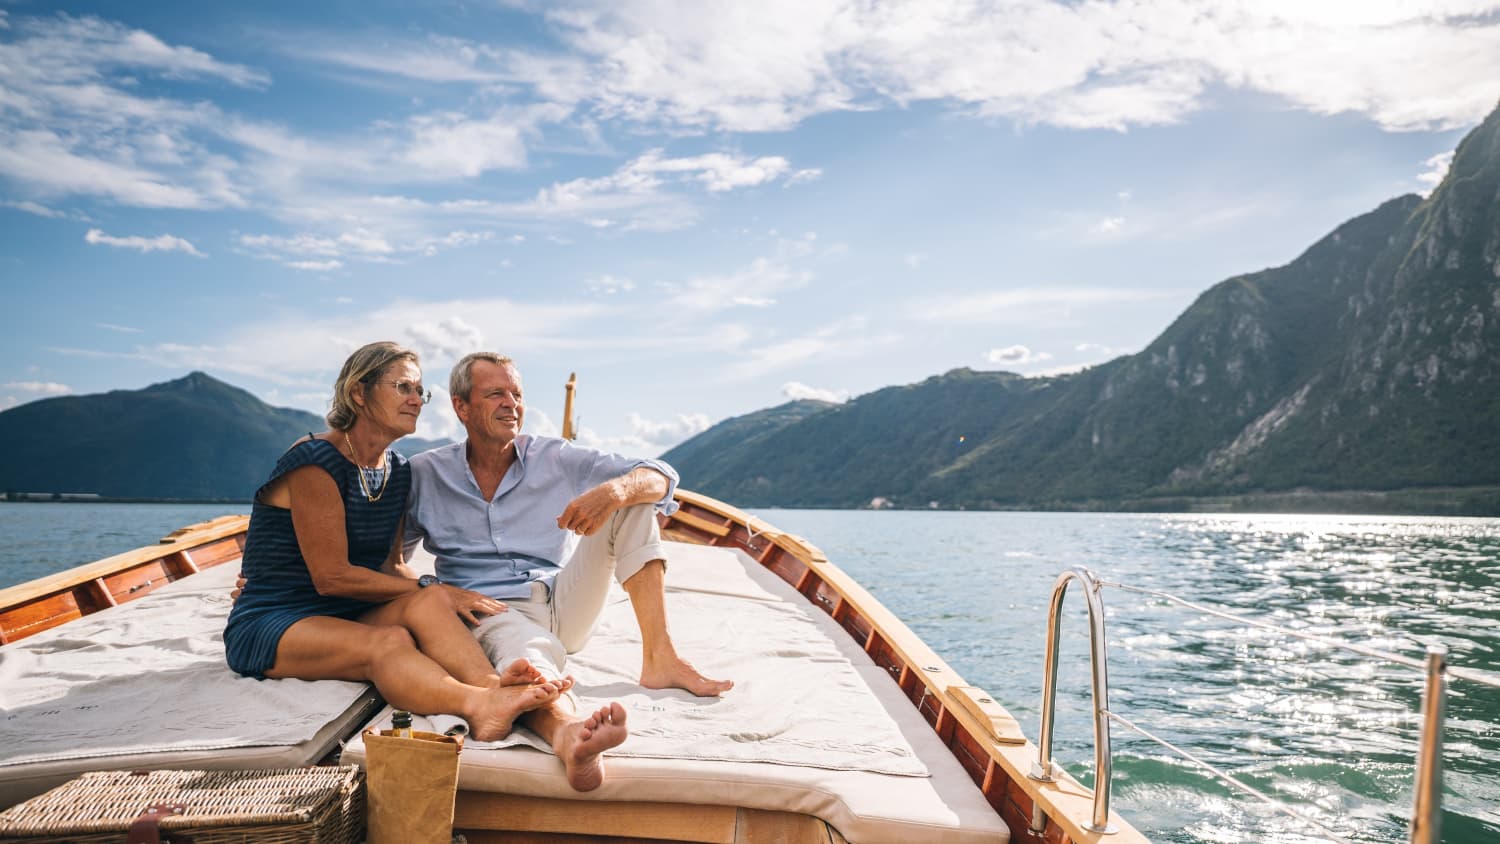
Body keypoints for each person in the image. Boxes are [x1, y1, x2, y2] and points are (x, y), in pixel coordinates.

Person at [403, 351, 732, 790]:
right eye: (496, 393)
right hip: (492, 609)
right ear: (461, 407)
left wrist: (614, 490)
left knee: (632, 505)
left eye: (517, 393)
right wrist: (437, 590)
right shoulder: (424, 474)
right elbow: (390, 564)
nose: (511, 404)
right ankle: (569, 733)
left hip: (563, 599)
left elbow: (661, 477)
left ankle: (661, 658)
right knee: (529, 657)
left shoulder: (553, 457)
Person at [224, 341, 561, 742]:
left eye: (421, 391)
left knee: (431, 598)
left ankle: (492, 687)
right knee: (391, 640)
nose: (417, 400)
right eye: (404, 387)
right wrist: (436, 587)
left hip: (346, 611)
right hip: (277, 618)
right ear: (358, 393)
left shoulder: (398, 471)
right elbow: (332, 578)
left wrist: (440, 595)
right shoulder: (315, 460)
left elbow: (391, 566)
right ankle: (476, 705)